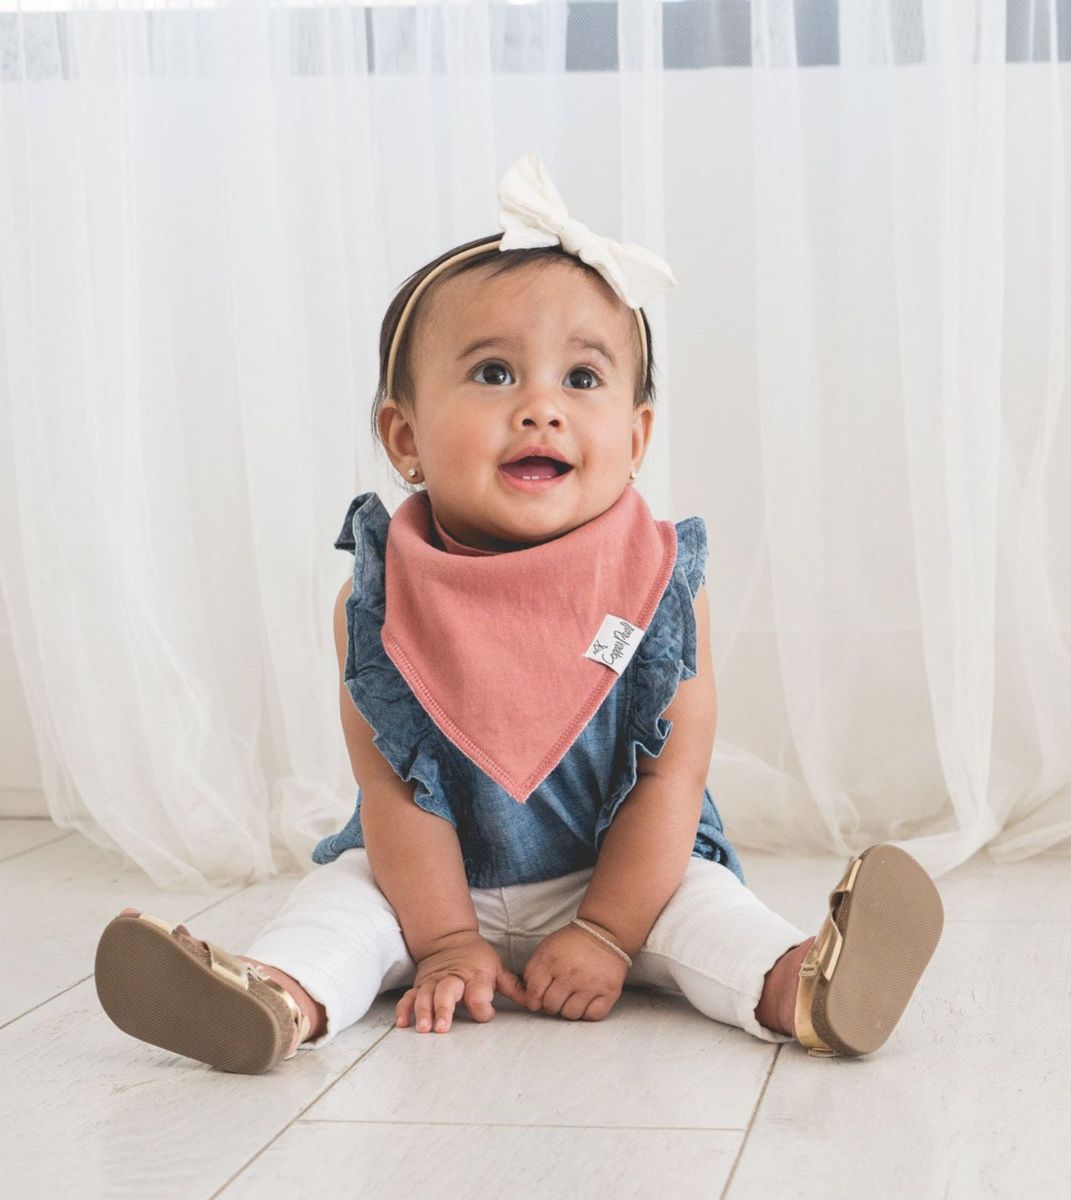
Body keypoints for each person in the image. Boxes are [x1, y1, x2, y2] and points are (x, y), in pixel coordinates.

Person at [94, 153, 944, 1074]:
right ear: (405, 438)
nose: (541, 408)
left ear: (635, 436)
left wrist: (612, 935)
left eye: (581, 380)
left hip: (619, 873)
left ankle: (806, 987)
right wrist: (447, 939)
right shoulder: (378, 598)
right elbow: (393, 791)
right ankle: (273, 999)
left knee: (713, 916)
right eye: (495, 373)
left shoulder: (659, 585)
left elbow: (670, 778)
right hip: (426, 878)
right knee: (338, 906)